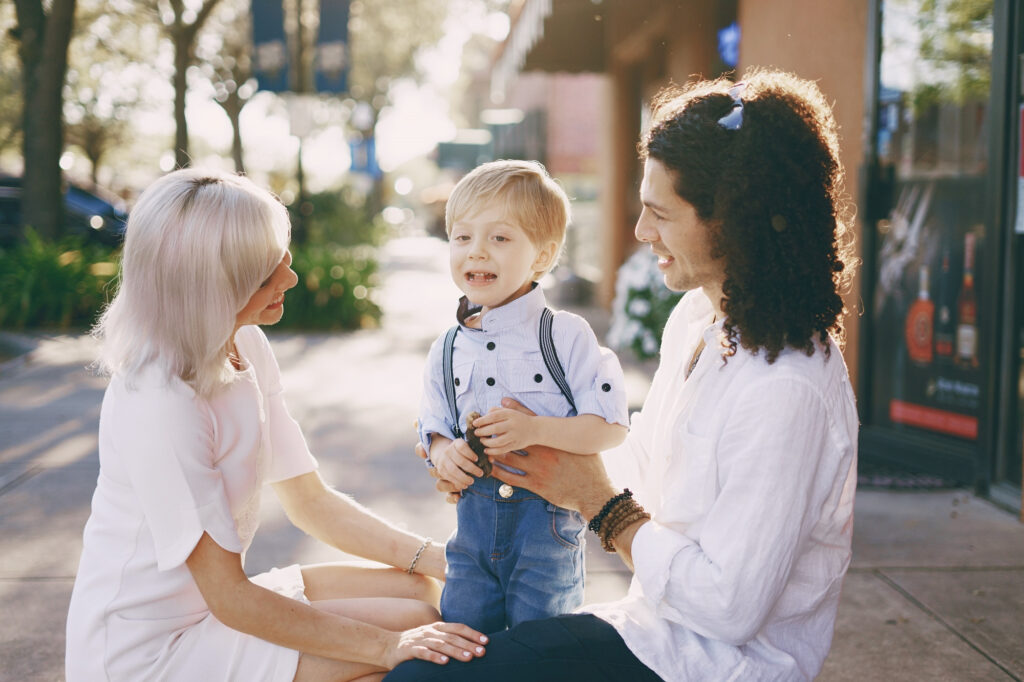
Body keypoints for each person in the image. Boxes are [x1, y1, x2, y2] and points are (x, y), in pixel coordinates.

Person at [389, 67, 859, 681]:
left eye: (661, 214)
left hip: (720, 666)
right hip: (652, 631)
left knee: (423, 678)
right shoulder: (699, 319)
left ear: (732, 219)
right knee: (420, 650)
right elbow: (644, 463)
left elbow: (728, 609)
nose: (641, 233)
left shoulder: (786, 388)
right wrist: (517, 458)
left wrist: (598, 503)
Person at [65, 169, 488, 682]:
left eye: (281, 258)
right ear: (208, 287)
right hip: (150, 649)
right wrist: (390, 647)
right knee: (409, 648)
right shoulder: (159, 402)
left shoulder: (242, 343)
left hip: (213, 607)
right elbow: (231, 598)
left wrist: (444, 559)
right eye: (265, 273)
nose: (288, 278)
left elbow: (310, 501)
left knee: (418, 590)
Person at [417, 159, 629, 633]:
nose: (477, 253)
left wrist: (536, 429)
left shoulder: (566, 335)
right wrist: (443, 453)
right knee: (465, 643)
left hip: (546, 536)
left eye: (500, 237)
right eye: (463, 237)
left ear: (542, 256)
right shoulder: (446, 348)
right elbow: (431, 426)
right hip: (470, 539)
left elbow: (612, 425)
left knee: (540, 651)